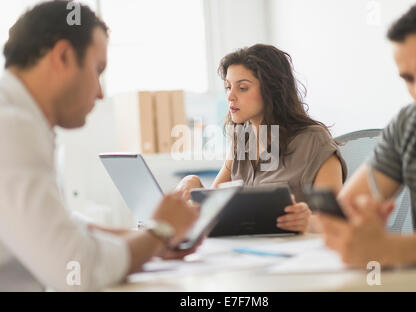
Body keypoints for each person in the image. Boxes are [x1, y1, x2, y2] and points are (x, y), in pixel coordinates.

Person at [0, 1, 200, 291]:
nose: (101, 92)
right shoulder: (13, 127)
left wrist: (146, 241)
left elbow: (51, 225)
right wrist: (161, 232)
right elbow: (79, 271)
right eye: (98, 69)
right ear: (64, 56)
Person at [320, 0, 416, 268]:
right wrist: (357, 222)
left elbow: (389, 250)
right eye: (409, 78)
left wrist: (392, 249)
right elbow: (347, 209)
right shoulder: (409, 125)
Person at [178, 44, 347, 233]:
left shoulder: (314, 140)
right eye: (228, 87)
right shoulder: (243, 139)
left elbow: (336, 222)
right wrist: (192, 183)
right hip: (247, 250)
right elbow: (214, 207)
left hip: (296, 253)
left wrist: (308, 222)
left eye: (242, 88)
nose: (230, 96)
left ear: (272, 89)